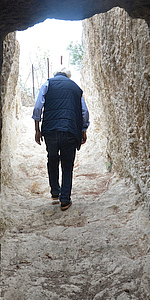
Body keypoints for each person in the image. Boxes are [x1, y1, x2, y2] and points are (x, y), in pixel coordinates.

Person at [32, 67, 90, 211]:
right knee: (67, 164)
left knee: (52, 159)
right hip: (70, 131)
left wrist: (37, 129)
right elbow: (84, 112)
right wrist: (84, 130)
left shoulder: (47, 84)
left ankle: (55, 192)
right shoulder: (76, 88)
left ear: (55, 74)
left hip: (50, 130)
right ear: (68, 76)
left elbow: (38, 106)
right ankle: (65, 200)